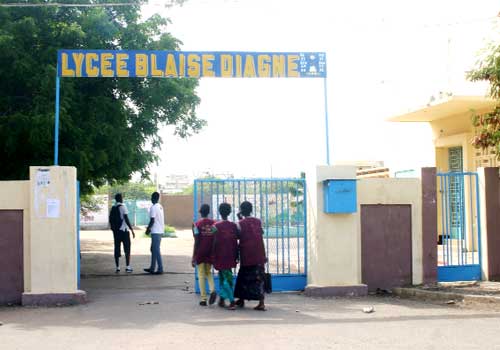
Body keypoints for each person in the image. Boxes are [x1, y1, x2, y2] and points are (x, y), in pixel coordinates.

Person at [234, 201, 267, 311]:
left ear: (241, 211)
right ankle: (261, 302)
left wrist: (239, 219)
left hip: (246, 254)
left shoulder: (240, 223)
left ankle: (241, 299)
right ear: (251, 210)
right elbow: (261, 233)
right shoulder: (258, 221)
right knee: (259, 278)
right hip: (259, 253)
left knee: (243, 277)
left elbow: (238, 236)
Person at [213, 203, 239, 310]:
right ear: (230, 212)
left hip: (220, 256)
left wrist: (212, 256)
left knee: (225, 279)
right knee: (225, 277)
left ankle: (232, 302)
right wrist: (237, 255)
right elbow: (236, 241)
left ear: (219, 212)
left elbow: (213, 243)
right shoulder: (234, 226)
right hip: (231, 255)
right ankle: (222, 300)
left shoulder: (215, 227)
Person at [192, 204, 217, 306]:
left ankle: (203, 299)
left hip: (200, 252)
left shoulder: (196, 224)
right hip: (210, 251)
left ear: (200, 212)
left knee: (201, 275)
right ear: (208, 212)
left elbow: (196, 240)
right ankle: (212, 290)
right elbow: (216, 237)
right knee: (208, 273)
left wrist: (194, 256)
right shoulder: (214, 224)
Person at [109, 193, 135, 273]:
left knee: (117, 248)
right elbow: (126, 219)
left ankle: (117, 267)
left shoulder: (113, 208)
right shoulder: (123, 207)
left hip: (116, 232)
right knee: (127, 249)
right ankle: (127, 267)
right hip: (124, 231)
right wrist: (132, 229)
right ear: (121, 199)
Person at [144, 192, 165, 275]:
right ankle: (153, 268)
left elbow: (152, 220)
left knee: (155, 250)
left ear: (152, 198)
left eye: (151, 197)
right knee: (154, 249)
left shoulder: (153, 207)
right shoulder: (160, 206)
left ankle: (159, 269)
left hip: (156, 231)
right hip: (159, 230)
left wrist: (148, 229)